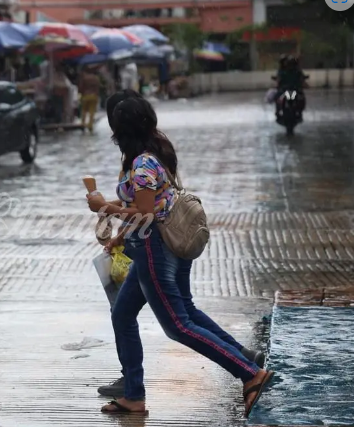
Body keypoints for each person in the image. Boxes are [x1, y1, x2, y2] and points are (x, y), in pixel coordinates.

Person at [87, 96, 274, 416]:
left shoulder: (143, 163)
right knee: (124, 314)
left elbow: (145, 212)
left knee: (177, 324)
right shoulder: (153, 152)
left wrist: (103, 206)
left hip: (155, 247)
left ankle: (249, 373)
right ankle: (133, 396)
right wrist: (119, 231)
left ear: (120, 129)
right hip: (160, 241)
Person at [78, 67, 101, 133]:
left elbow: (81, 87)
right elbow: (98, 88)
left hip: (86, 95)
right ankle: (90, 125)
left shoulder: (84, 78)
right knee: (92, 111)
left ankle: (83, 124)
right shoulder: (96, 78)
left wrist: (80, 93)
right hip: (94, 96)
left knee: (84, 110)